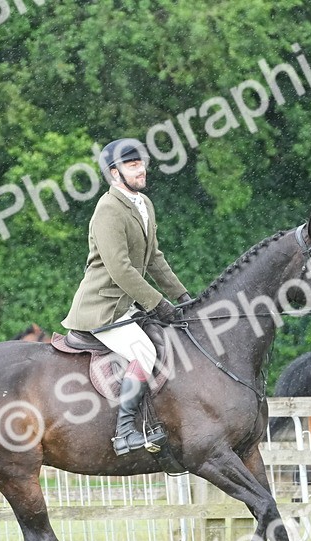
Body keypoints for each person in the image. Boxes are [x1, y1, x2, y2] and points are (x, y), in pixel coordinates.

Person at [61, 137, 191, 456]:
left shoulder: (144, 204)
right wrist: (158, 303)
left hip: (128, 305)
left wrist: (183, 297)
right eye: (132, 165)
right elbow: (120, 269)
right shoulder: (108, 210)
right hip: (103, 307)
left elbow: (154, 258)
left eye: (141, 163)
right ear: (114, 173)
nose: (141, 169)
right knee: (144, 352)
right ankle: (125, 433)